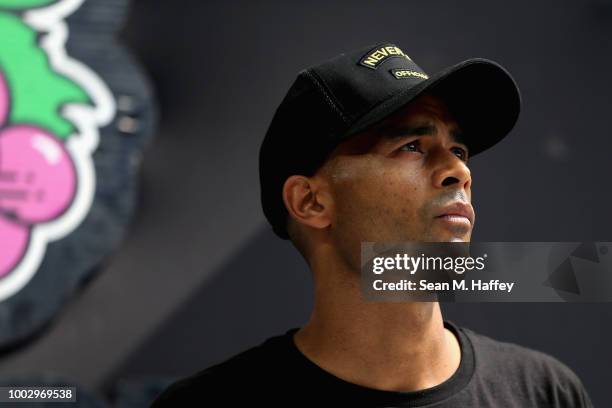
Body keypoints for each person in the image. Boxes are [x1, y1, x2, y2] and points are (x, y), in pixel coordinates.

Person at [151, 43, 593, 407]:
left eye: (459, 150)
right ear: (310, 201)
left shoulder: (544, 392)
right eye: (412, 146)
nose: (459, 172)